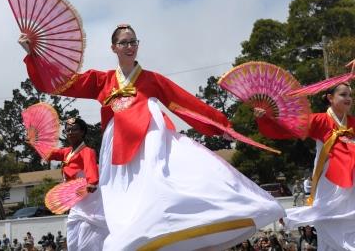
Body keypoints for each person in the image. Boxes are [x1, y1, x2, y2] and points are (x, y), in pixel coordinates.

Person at [20, 23, 285, 250]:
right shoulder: (101, 81)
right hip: (117, 153)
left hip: (150, 143)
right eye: (123, 42)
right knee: (125, 209)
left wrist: (225, 126)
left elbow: (189, 104)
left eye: (133, 41)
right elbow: (60, 82)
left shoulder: (151, 79)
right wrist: (34, 56)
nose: (129, 46)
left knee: (160, 191)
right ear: (113, 47)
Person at [255, 82, 355, 249]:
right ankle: (289, 216)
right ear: (330, 98)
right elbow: (288, 126)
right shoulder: (319, 120)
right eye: (343, 95)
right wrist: (266, 118)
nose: (348, 98)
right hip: (329, 181)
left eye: (350, 95)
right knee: (325, 217)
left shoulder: (352, 122)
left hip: (351, 182)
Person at [42, 117, 108, 251]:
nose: (70, 132)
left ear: (82, 132)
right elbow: (51, 153)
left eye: (74, 129)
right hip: (76, 200)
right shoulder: (67, 152)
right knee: (72, 240)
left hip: (90, 198)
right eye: (68, 130)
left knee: (87, 236)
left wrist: (92, 182)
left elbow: (91, 168)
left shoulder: (87, 151)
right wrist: (36, 143)